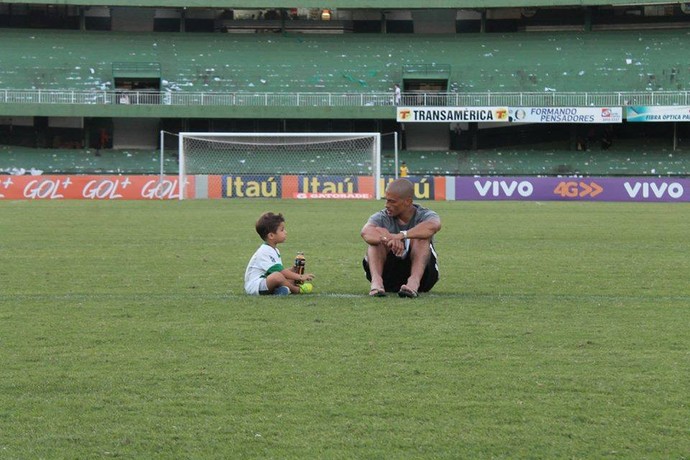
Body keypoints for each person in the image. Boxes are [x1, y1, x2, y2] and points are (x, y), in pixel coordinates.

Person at [360, 178, 441, 298]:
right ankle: (376, 283)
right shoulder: (382, 217)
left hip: (423, 279)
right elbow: (365, 232)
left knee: (421, 237)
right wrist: (388, 238)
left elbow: (434, 225)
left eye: (392, 201)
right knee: (376, 239)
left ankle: (413, 283)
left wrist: (402, 235)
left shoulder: (424, 215)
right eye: (386, 200)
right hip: (389, 277)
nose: (387, 205)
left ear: (408, 201)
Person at [244, 212, 314, 295]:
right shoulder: (265, 251)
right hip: (255, 286)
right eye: (282, 230)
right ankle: (296, 290)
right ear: (271, 236)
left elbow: (280, 272)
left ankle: (279, 291)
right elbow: (280, 272)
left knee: (289, 276)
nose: (285, 232)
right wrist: (301, 277)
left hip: (266, 282)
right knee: (277, 276)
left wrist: (293, 270)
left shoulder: (274, 250)